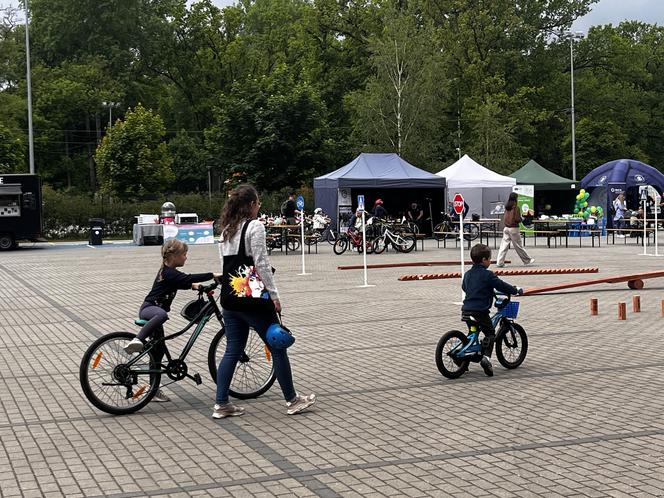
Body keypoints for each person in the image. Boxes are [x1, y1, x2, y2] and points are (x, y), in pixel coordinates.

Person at [215, 184, 316, 418]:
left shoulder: (226, 231)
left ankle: (221, 403)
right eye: (258, 203)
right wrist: (274, 295)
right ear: (251, 205)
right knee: (277, 345)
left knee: (232, 351)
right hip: (253, 298)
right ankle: (292, 399)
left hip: (230, 298)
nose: (259, 207)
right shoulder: (255, 227)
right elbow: (261, 264)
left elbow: (226, 265)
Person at [124, 239, 221, 401]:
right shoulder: (169, 272)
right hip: (150, 310)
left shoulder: (167, 271)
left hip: (152, 311)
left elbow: (179, 282)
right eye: (184, 254)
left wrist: (195, 286)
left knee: (158, 352)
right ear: (174, 256)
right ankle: (137, 340)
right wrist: (212, 275)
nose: (186, 258)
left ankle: (153, 390)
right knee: (162, 315)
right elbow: (185, 278)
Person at [462, 243, 523, 377]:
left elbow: (464, 288)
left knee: (473, 333)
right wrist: (515, 290)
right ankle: (486, 359)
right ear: (484, 260)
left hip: (466, 310)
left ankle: (463, 361)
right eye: (490, 259)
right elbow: (501, 285)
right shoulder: (488, 275)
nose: (490, 261)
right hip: (480, 311)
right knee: (490, 333)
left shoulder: (467, 274)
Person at [496, 192, 534, 267]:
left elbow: (506, 218)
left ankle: (499, 262)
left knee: (503, 246)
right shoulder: (516, 208)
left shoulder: (507, 207)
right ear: (515, 198)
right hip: (514, 229)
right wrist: (522, 218)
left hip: (506, 228)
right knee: (518, 246)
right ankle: (527, 260)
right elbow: (517, 219)